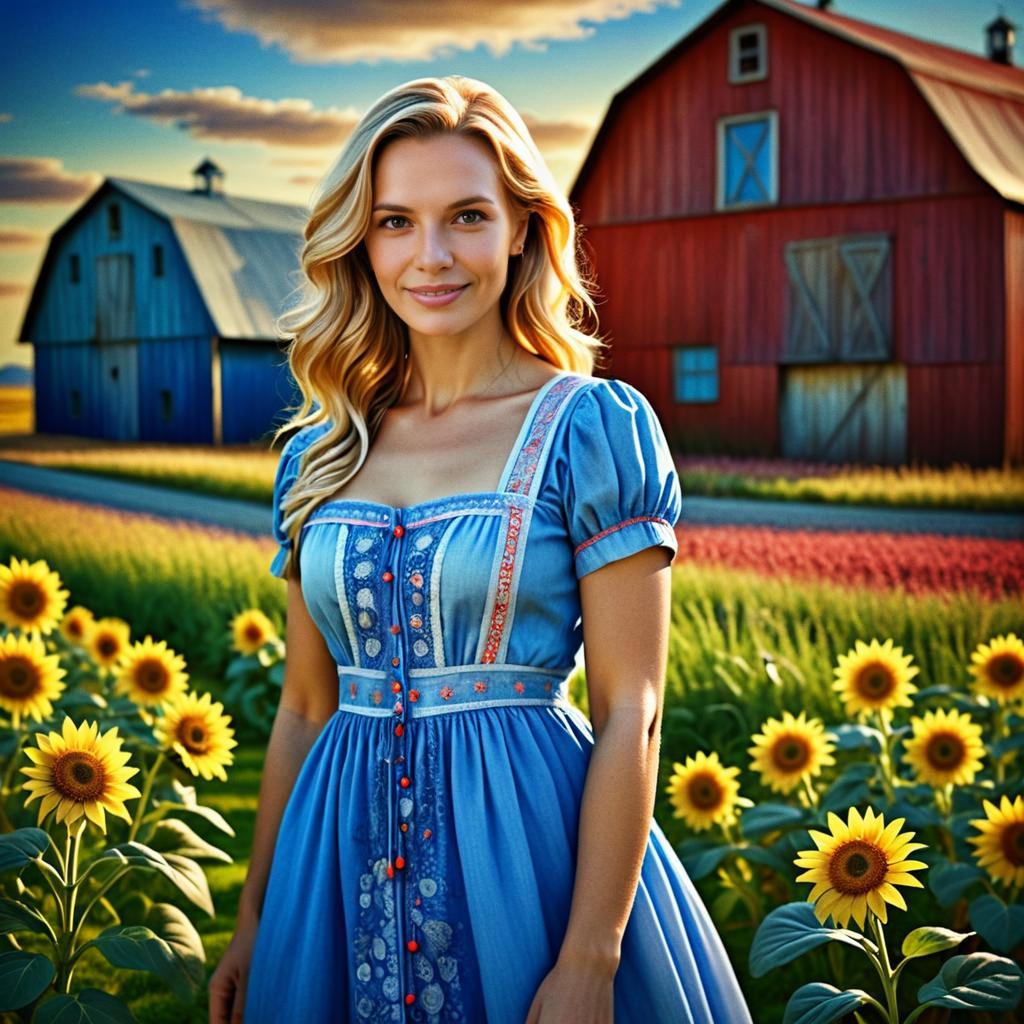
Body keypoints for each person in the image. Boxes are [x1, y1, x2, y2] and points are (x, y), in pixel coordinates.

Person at [209, 74, 753, 1024]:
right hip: (332, 869)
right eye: (394, 222)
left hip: (532, 858)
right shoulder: (321, 453)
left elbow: (635, 708)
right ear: (361, 240)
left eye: (466, 216)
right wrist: (253, 919)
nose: (431, 256)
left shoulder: (592, 427)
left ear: (521, 228)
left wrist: (589, 960)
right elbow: (302, 707)